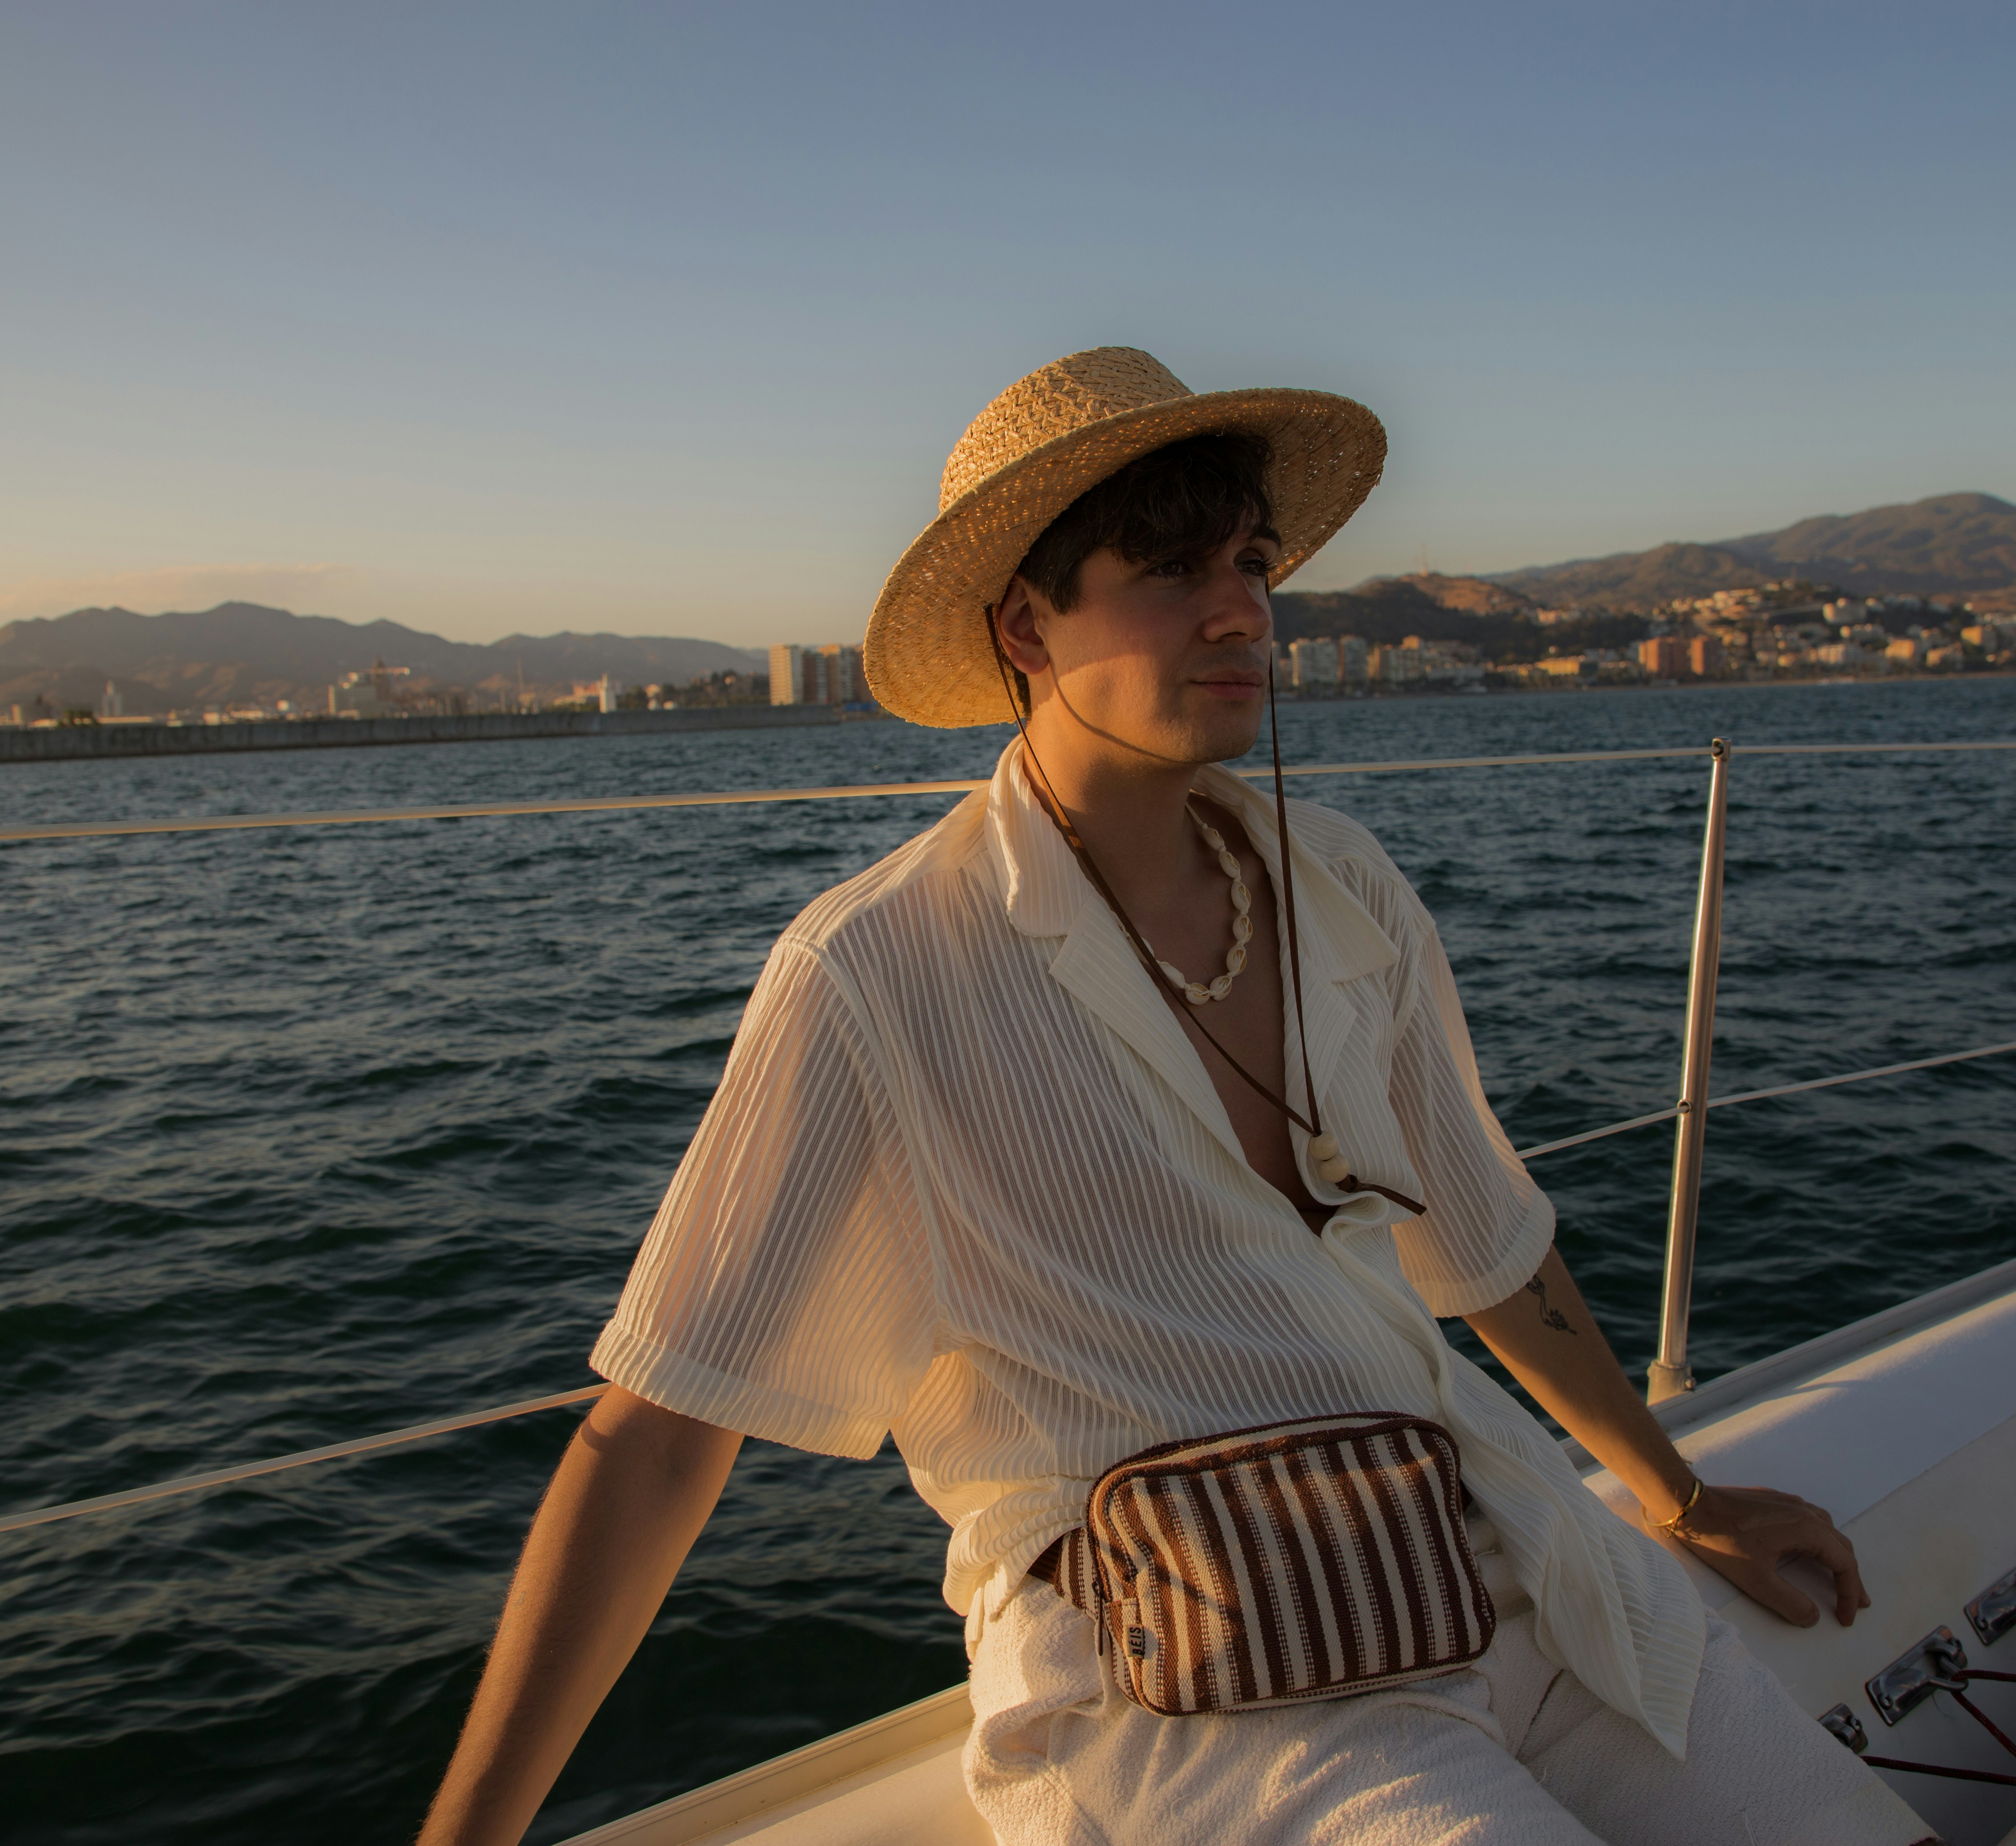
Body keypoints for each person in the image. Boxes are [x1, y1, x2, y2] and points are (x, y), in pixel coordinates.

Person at [420, 348, 1930, 1846]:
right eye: (1168, 572)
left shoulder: (1342, 885)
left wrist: (1669, 1494)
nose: (1240, 613)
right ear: (1027, 624)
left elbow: (1488, 1244)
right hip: (1198, 1676)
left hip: (1499, 1557)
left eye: (1253, 565)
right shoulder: (877, 971)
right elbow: (664, 1433)